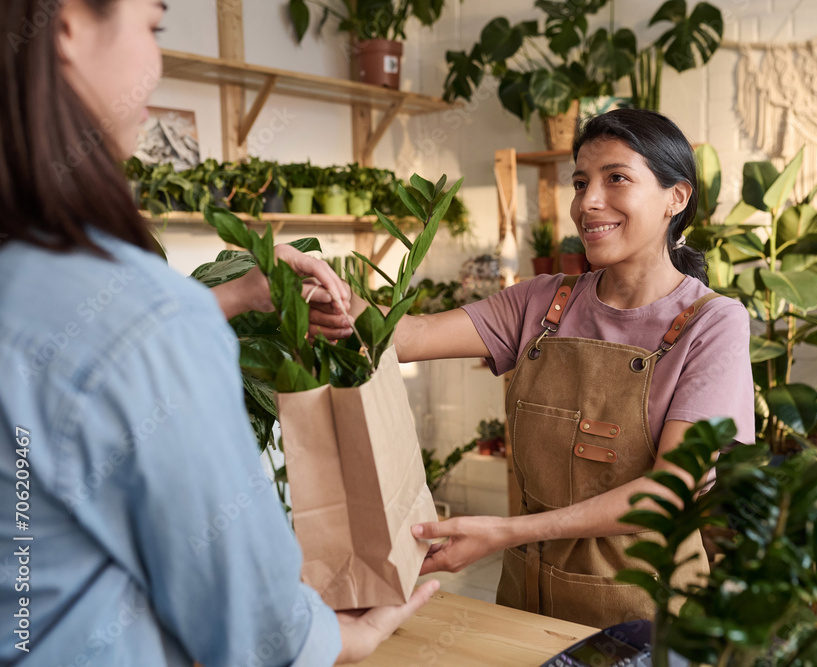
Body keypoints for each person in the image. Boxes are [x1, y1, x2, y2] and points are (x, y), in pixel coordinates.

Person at [0, 0, 435, 664]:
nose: (158, 61)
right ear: (67, 26)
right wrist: (353, 635)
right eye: (154, 26)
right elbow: (248, 617)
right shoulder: (141, 317)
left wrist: (241, 292)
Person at [314, 108, 756, 629]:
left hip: (643, 618)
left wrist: (504, 533)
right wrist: (323, 291)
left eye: (616, 178)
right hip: (526, 600)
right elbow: (408, 335)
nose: (588, 202)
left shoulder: (712, 324)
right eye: (580, 182)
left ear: (675, 198)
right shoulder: (542, 302)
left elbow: (668, 491)